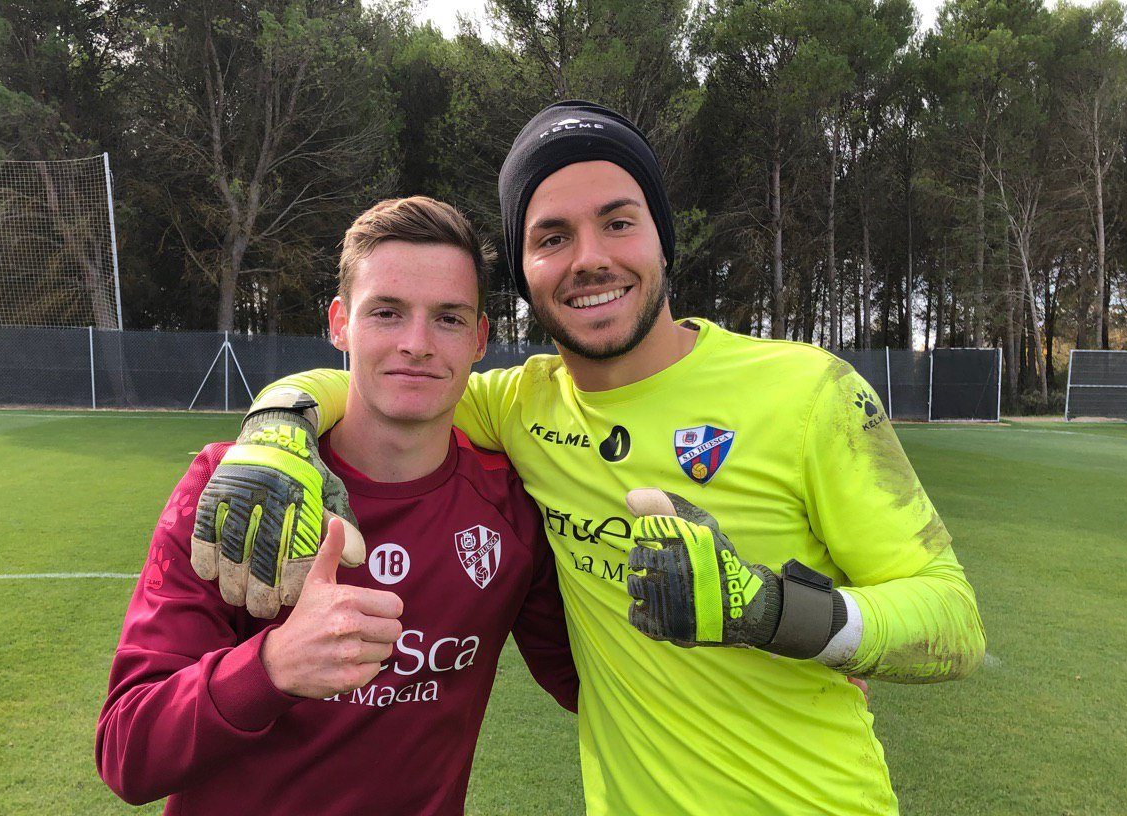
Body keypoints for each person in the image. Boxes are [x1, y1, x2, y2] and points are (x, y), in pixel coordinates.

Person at [194, 101, 987, 816]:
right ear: (527, 273)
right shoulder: (518, 403)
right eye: (551, 237)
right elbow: (375, 379)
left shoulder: (809, 392)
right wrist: (275, 424)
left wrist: (774, 612)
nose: (588, 259)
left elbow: (954, 623)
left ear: (661, 238)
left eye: (617, 222)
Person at [96, 196, 578, 816]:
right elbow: (127, 753)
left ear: (482, 338)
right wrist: (270, 667)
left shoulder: (509, 507)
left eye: (450, 319)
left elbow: (589, 682)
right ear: (339, 324)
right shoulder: (236, 482)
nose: (418, 343)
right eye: (386, 312)